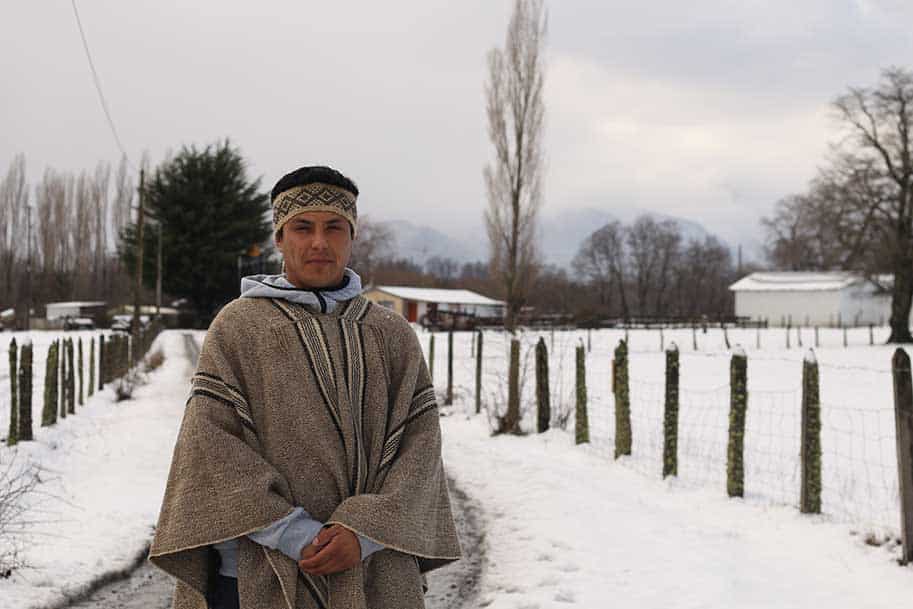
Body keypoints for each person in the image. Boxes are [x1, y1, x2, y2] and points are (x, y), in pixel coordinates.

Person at [149, 166, 461, 609]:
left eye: (334, 227)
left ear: (352, 236)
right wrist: (293, 533)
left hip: (373, 572)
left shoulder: (392, 335)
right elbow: (210, 445)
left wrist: (364, 532)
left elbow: (421, 447)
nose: (319, 242)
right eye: (302, 227)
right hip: (255, 576)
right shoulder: (238, 327)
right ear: (279, 237)